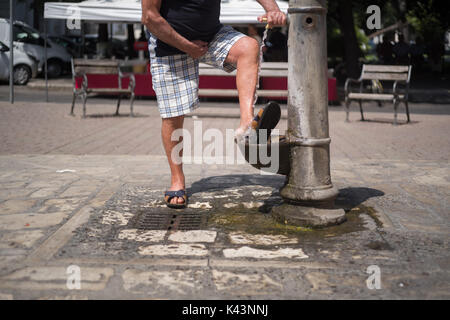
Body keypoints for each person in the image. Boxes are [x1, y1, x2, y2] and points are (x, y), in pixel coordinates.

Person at [141, 0, 286, 207]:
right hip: (168, 43)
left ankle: (246, 124)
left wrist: (272, 9)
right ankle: (177, 180)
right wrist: (188, 47)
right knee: (174, 115)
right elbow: (149, 17)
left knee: (248, 46)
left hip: (212, 35)